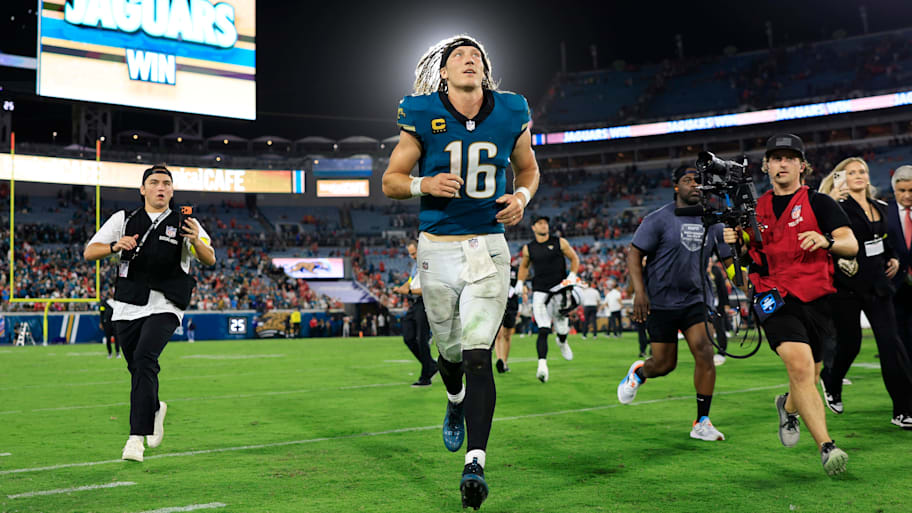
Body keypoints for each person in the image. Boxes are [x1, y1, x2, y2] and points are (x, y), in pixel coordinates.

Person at [381, 34, 539, 509]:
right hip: (438, 249)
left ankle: (475, 463)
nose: (469, 61)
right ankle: (453, 400)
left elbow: (528, 169)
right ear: (444, 72)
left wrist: (521, 198)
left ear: (484, 70)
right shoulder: (420, 111)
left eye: (476, 57)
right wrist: (423, 184)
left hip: (488, 247)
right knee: (449, 354)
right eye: (458, 57)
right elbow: (390, 180)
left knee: (477, 354)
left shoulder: (512, 109)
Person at [723, 134, 856, 475]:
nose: (782, 164)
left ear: (802, 166)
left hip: (817, 297)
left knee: (810, 373)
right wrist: (735, 243)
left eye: (789, 158)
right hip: (772, 294)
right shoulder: (752, 210)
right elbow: (742, 260)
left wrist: (826, 240)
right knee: (799, 367)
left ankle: (788, 406)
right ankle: (827, 447)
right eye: (775, 158)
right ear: (766, 166)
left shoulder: (819, 203)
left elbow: (850, 243)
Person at [84, 165, 215, 463]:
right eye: (154, 182)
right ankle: (154, 407)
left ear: (172, 190)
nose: (161, 187)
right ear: (143, 189)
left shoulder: (185, 222)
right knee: (137, 367)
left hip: (166, 303)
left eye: (166, 183)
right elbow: (90, 252)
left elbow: (210, 259)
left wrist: (196, 240)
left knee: (145, 358)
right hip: (127, 304)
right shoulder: (123, 219)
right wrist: (115, 246)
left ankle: (135, 439)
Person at [618, 164, 732, 442]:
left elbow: (729, 261)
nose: (694, 184)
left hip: (696, 299)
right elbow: (635, 254)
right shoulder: (658, 219)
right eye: (688, 180)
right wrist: (640, 293)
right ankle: (640, 372)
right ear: (676, 186)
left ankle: (702, 421)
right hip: (660, 301)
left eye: (699, 180)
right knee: (663, 364)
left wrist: (744, 279)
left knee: (704, 350)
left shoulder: (714, 223)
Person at [817, 158, 912, 429]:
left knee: (891, 346)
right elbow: (825, 236)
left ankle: (903, 410)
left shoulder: (880, 207)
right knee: (850, 344)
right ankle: (832, 380)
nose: (859, 175)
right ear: (841, 177)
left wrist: (893, 258)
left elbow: (885, 241)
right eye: (852, 172)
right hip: (845, 288)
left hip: (879, 287)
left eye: (862, 171)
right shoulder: (835, 207)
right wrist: (831, 200)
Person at [516, 215, 579, 383]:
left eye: (545, 223)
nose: (544, 226)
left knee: (562, 328)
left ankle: (562, 341)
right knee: (543, 328)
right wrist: (520, 282)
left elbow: (574, 258)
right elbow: (524, 266)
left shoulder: (560, 242)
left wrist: (573, 274)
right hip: (540, 291)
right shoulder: (529, 248)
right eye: (540, 223)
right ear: (533, 227)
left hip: (560, 290)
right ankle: (542, 366)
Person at [394, 241, 437, 387]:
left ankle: (426, 377)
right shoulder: (415, 265)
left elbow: (428, 288)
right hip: (415, 303)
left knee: (421, 339)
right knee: (408, 337)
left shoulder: (429, 264)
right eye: (410, 254)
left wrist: (409, 291)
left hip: (425, 302)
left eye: (414, 253)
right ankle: (431, 365)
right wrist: (400, 288)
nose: (412, 256)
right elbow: (411, 281)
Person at [887, 165, 912, 358]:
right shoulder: (883, 213)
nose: (907, 195)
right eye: (902, 190)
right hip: (895, 287)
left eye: (911, 190)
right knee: (900, 338)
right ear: (894, 190)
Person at [494, 264, 520, 373]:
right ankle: (499, 360)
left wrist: (523, 290)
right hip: (497, 303)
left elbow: (521, 283)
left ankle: (504, 362)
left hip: (511, 305)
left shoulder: (515, 270)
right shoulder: (495, 268)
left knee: (507, 335)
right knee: (498, 334)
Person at [707, 258, 730, 366]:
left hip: (717, 305)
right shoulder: (699, 270)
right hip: (705, 305)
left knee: (720, 328)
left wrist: (726, 304)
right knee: (706, 329)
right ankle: (708, 351)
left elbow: (722, 288)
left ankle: (721, 351)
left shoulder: (716, 271)